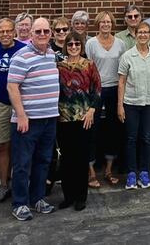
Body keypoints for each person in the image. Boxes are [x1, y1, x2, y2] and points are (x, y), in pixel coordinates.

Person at [6, 17, 60, 221]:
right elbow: (12, 87)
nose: (43, 35)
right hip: (28, 120)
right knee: (22, 163)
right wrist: (21, 115)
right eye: (38, 32)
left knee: (43, 161)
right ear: (31, 34)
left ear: (51, 34)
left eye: (46, 31)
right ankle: (20, 203)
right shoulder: (21, 57)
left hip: (49, 119)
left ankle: (37, 198)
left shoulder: (52, 55)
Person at [57, 32, 101, 211]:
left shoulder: (89, 65)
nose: (73, 47)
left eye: (77, 44)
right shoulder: (59, 66)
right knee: (67, 158)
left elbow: (97, 89)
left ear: (81, 46)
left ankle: (81, 197)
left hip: (84, 118)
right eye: (70, 44)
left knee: (81, 158)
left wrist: (91, 110)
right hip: (64, 117)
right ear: (65, 46)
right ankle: (68, 196)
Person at [118, 21, 150, 189]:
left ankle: (144, 172)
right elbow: (121, 82)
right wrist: (120, 105)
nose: (143, 35)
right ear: (135, 34)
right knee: (131, 138)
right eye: (140, 32)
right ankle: (131, 173)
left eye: (146, 32)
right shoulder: (127, 56)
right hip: (131, 103)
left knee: (147, 138)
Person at [0, 18, 26, 204]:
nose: (5, 34)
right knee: (2, 145)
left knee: (22, 145)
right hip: (1, 104)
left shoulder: (23, 49)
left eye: (9, 31)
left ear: (14, 32)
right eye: (1, 31)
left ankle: (22, 182)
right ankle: (4, 184)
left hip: (22, 103)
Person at [85, 11, 126, 186]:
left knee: (113, 129)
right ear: (98, 24)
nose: (106, 25)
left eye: (108, 22)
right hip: (97, 90)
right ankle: (91, 170)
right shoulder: (91, 44)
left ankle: (109, 169)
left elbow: (123, 70)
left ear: (112, 24)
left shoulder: (121, 44)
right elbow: (88, 69)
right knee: (92, 130)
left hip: (115, 89)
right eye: (102, 22)